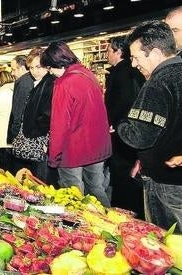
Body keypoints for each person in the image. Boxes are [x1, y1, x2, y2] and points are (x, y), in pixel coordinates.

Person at [117, 21, 182, 231]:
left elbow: (139, 136)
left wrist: (121, 125)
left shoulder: (158, 83)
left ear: (154, 52)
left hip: (165, 183)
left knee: (166, 246)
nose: (134, 64)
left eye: (136, 57)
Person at [41, 41, 111, 207]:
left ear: (57, 64)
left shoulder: (63, 83)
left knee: (73, 194)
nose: (50, 73)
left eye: (50, 68)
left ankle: (80, 230)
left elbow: (59, 124)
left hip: (72, 149)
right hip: (97, 145)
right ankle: (112, 224)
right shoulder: (88, 75)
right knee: (96, 189)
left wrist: (54, 156)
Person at [104, 36, 146, 217]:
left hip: (123, 134)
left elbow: (121, 103)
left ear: (118, 51)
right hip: (129, 132)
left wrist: (115, 123)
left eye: (108, 50)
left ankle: (125, 216)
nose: (106, 54)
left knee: (123, 179)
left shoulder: (121, 73)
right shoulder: (132, 72)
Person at [15, 47, 56, 183]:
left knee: (42, 181)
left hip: (42, 140)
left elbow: (48, 115)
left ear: (47, 66)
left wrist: (35, 133)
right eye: (31, 68)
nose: (34, 71)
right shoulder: (40, 83)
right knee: (37, 179)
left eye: (38, 67)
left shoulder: (49, 83)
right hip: (39, 139)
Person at [7, 55, 34, 145]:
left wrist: (14, 133)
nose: (12, 73)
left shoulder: (23, 84)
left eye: (14, 69)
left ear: (22, 68)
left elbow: (18, 110)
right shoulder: (30, 80)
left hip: (21, 133)